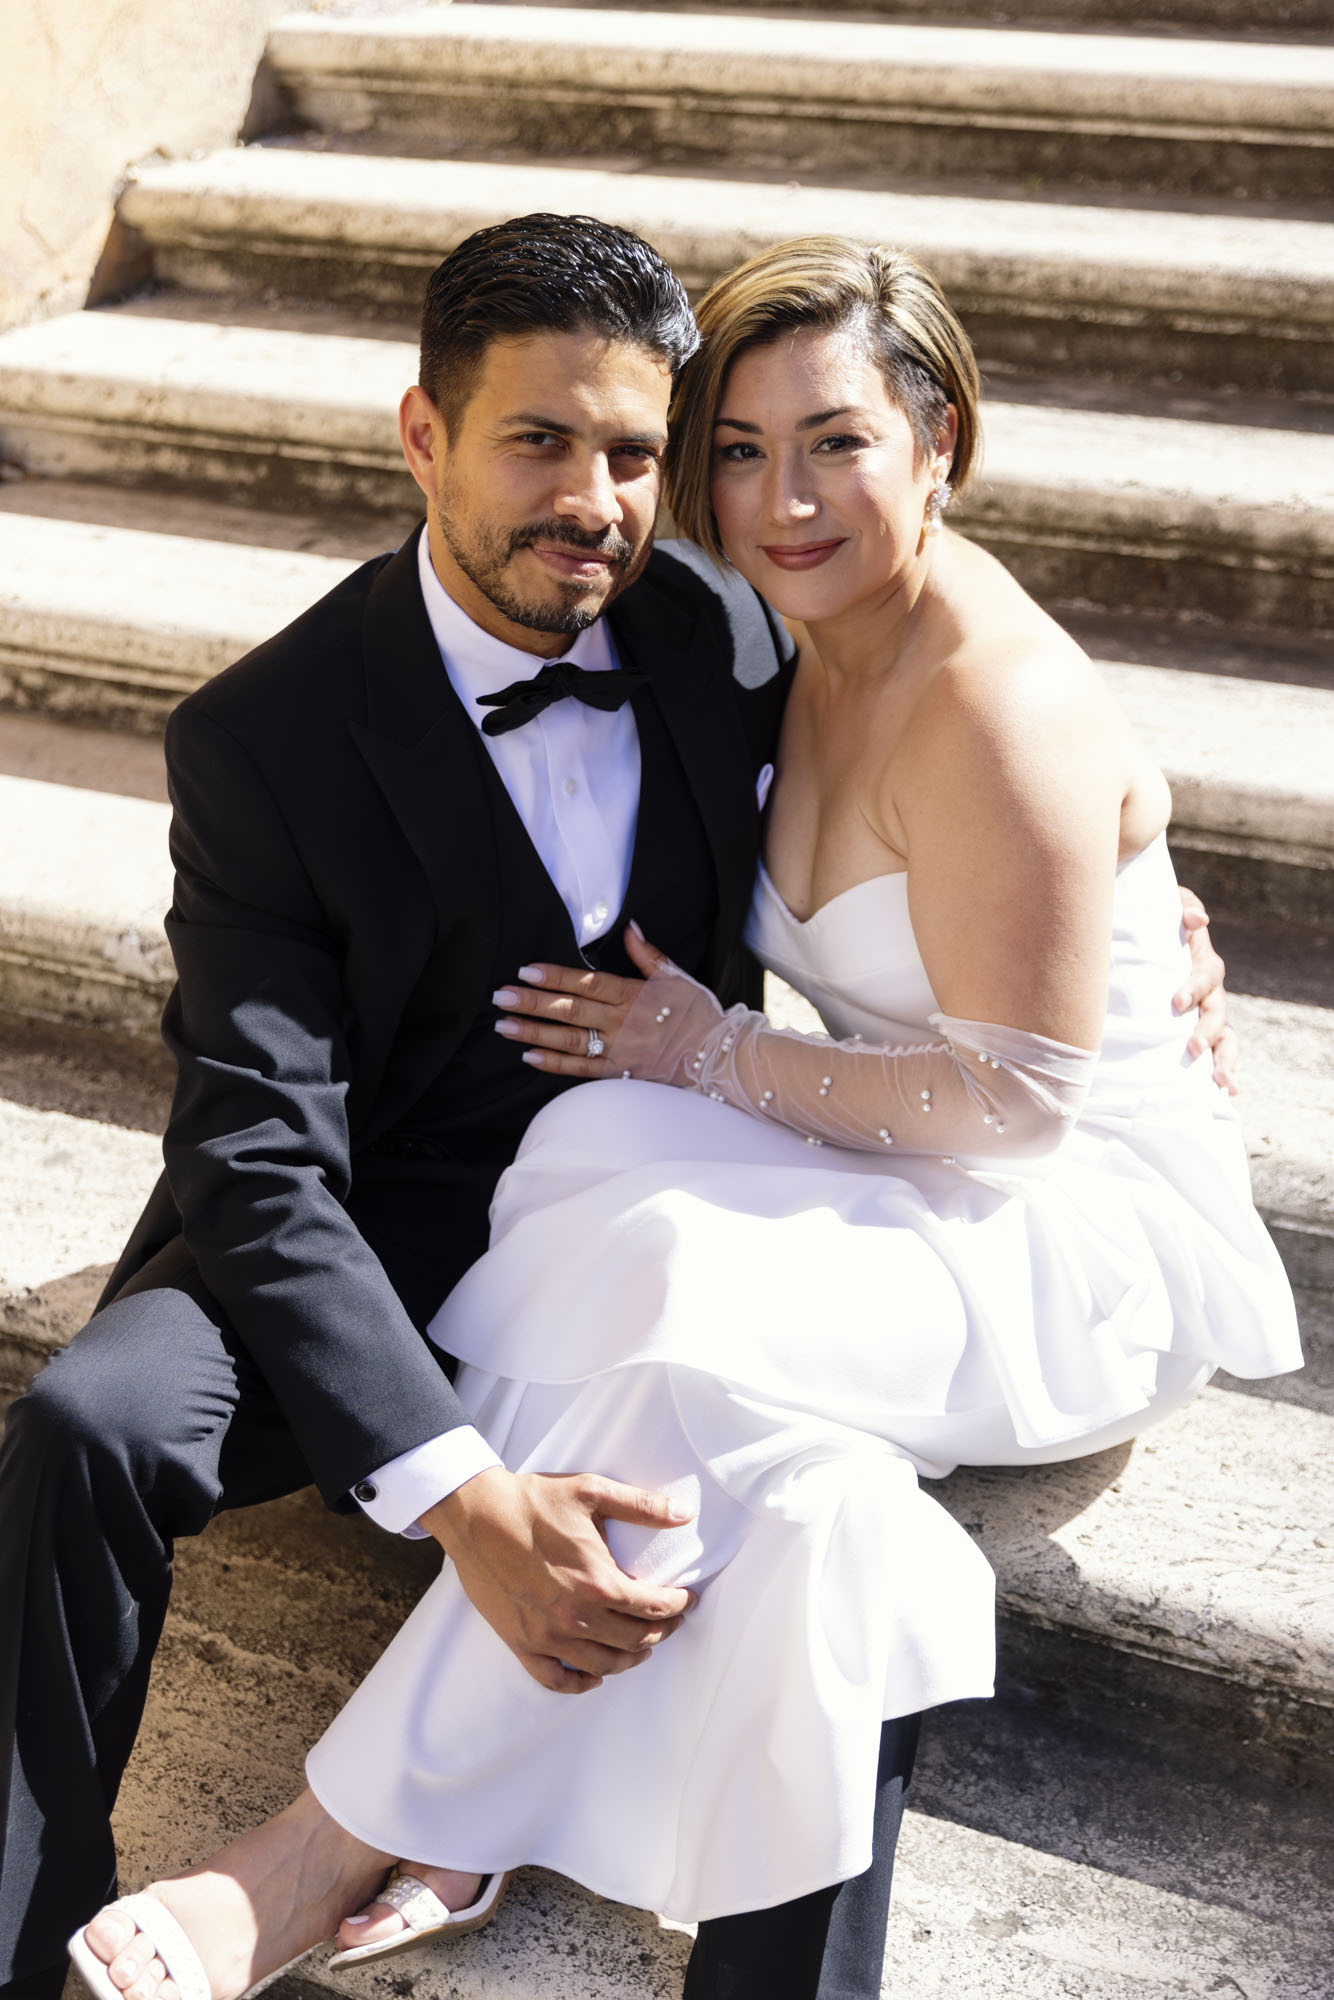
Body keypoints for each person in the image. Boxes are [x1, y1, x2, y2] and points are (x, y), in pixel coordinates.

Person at [54, 230, 1288, 2000]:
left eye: (838, 442)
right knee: (641, 1243)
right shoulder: (752, 628)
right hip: (894, 1136)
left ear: (941, 439)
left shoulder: (987, 695)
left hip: (1061, 1225)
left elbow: (1021, 1100)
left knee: (685, 1318)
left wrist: (710, 1049)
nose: (779, 496)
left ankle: (339, 1837)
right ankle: (482, 1793)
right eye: (733, 447)